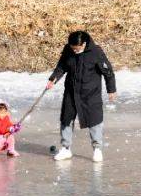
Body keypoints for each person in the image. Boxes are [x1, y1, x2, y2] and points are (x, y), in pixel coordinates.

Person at [46, 30, 117, 162]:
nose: (74, 51)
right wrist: (54, 78)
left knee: (94, 121)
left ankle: (97, 149)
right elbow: (62, 66)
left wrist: (111, 90)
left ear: (84, 44)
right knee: (66, 119)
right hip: (71, 92)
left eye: (77, 48)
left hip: (90, 93)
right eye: (72, 48)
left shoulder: (96, 52)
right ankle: (66, 148)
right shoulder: (68, 49)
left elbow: (108, 71)